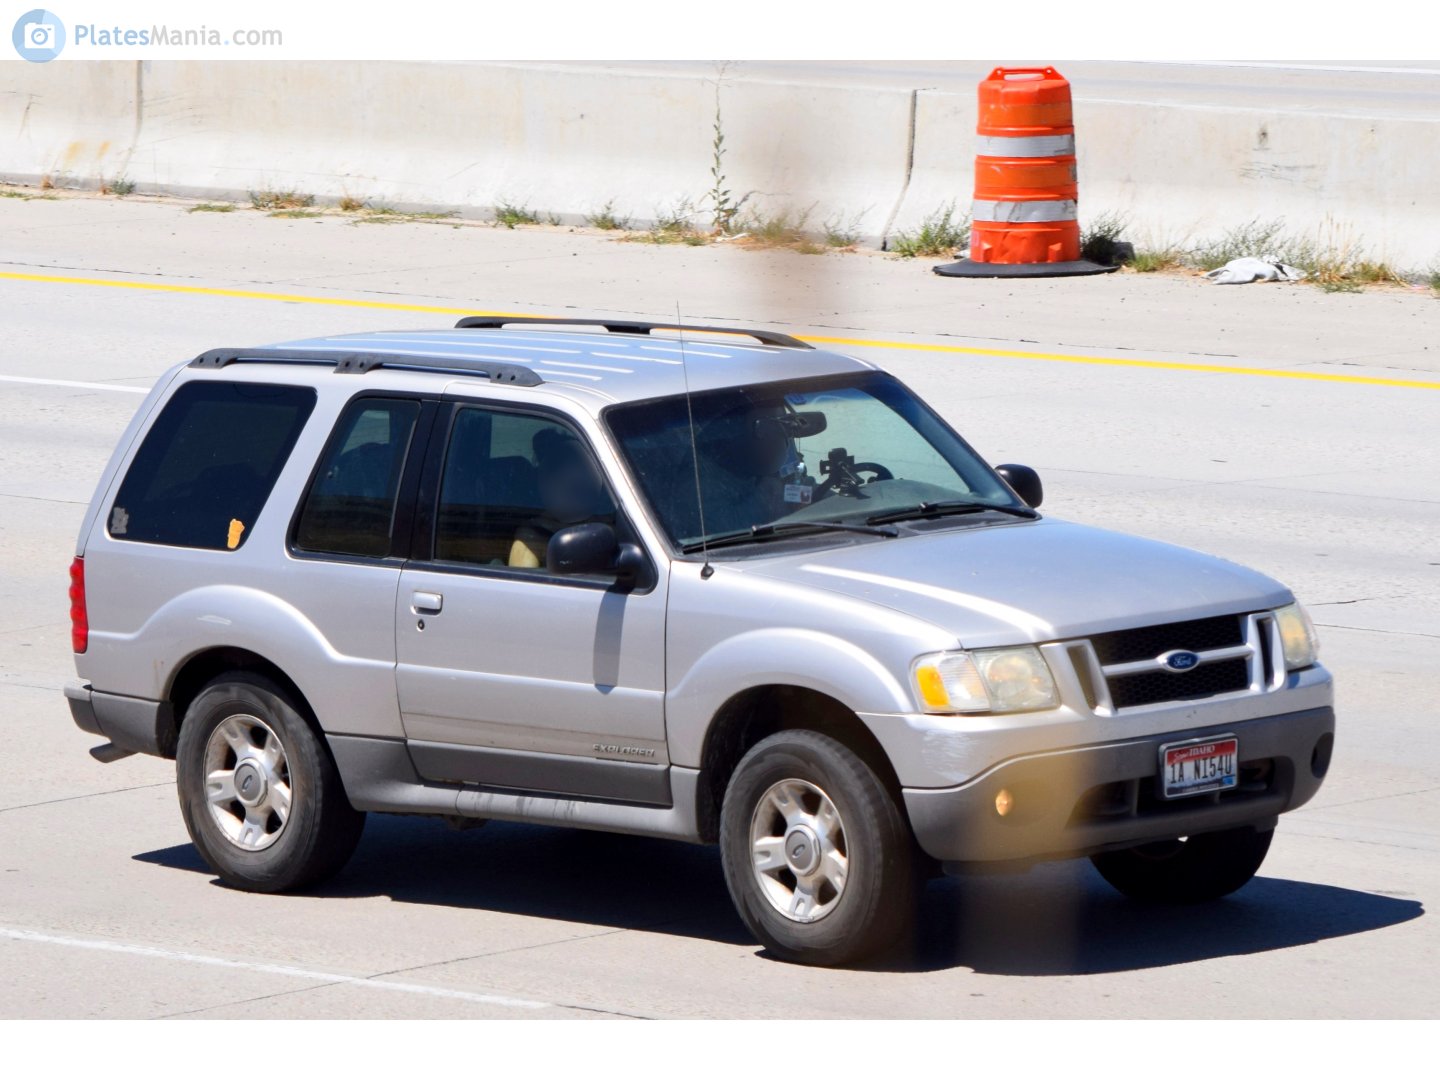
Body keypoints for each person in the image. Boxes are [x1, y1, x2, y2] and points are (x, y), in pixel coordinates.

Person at [508, 428, 611, 568]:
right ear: (544, 486)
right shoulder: (532, 538)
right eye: (575, 489)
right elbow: (521, 586)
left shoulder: (615, 523)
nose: (583, 496)